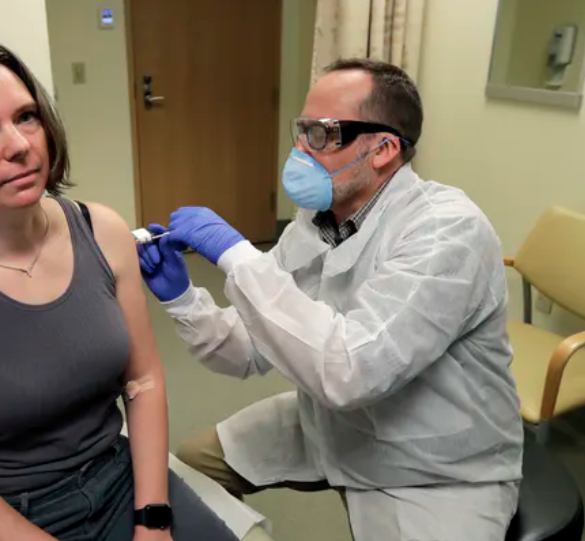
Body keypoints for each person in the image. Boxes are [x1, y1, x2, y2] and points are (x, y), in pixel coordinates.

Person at [138, 58, 524, 541]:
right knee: (194, 469)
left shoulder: (447, 231)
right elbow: (248, 349)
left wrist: (239, 257)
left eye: (322, 134)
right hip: (333, 425)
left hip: (434, 466)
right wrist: (183, 299)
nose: (300, 149)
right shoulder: (315, 222)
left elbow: (352, 370)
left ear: (384, 149)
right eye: (301, 131)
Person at [0, 36, 237, 541]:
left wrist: (153, 520)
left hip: (121, 482)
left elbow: (144, 381)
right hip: (8, 517)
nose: (20, 145)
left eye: (25, 117)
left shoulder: (103, 232)